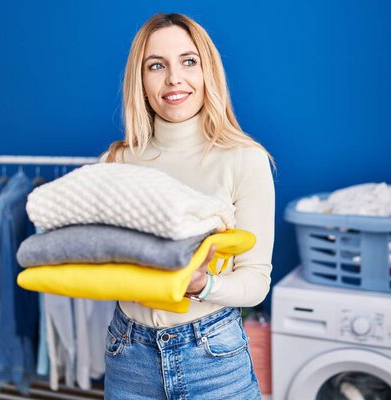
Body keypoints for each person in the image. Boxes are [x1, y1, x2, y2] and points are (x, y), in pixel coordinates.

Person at [102, 12, 275, 400]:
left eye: (188, 61)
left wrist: (202, 284)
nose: (174, 79)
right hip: (128, 353)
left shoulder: (244, 159)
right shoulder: (115, 163)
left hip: (212, 356)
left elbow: (256, 282)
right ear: (140, 82)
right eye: (156, 65)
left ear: (207, 72)